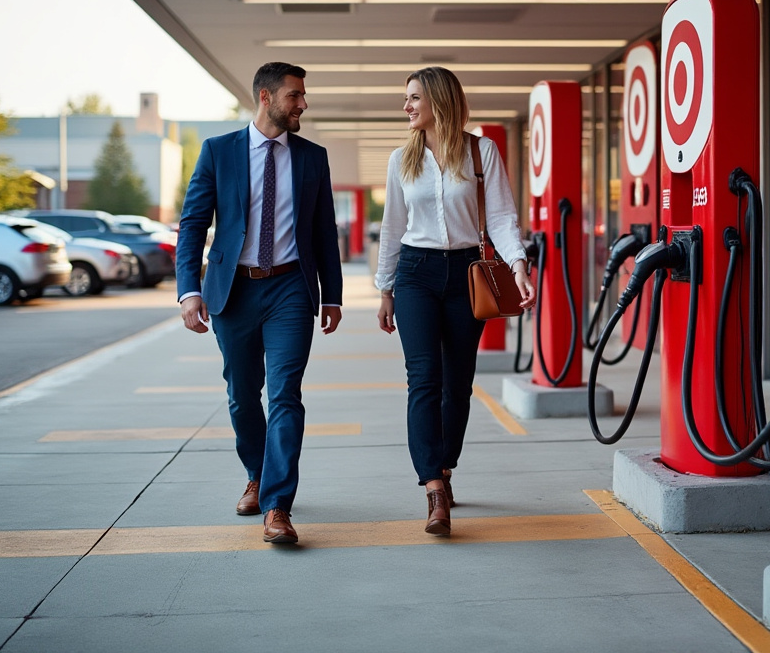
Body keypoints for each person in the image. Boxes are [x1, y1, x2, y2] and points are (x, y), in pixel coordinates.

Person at [176, 61, 343, 545]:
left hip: (290, 287)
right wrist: (190, 290)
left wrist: (330, 294)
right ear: (266, 98)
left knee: (286, 394)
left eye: (303, 95)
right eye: (295, 96)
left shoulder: (313, 157)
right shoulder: (218, 152)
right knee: (242, 394)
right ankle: (256, 472)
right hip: (234, 289)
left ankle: (277, 506)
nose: (303, 104)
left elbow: (322, 231)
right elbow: (192, 225)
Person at [375, 66, 535, 536]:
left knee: (458, 383)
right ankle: (432, 488)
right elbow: (391, 229)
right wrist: (385, 290)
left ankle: (445, 467)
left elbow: (503, 217)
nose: (406, 107)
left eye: (413, 98)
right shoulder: (400, 160)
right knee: (423, 378)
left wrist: (519, 267)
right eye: (406, 99)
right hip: (416, 275)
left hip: (468, 273)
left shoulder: (482, 152)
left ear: (439, 101)